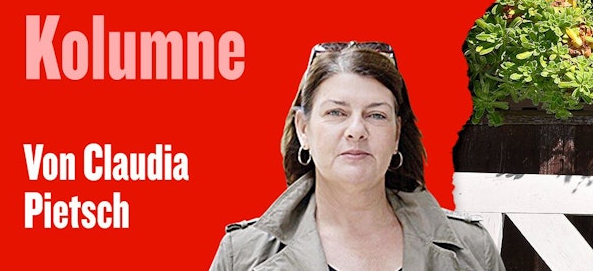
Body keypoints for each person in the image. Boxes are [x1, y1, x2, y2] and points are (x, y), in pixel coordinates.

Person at [211, 42, 502, 271]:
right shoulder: (243, 256)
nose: (356, 130)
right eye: (336, 112)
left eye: (376, 115)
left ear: (397, 134)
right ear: (303, 129)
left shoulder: (472, 251)